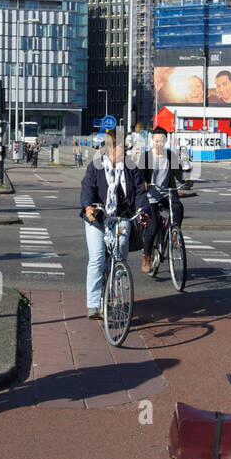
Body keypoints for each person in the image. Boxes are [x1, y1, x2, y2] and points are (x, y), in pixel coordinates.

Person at [79, 133, 149, 320]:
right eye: (121, 149)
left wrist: (143, 210)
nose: (124, 152)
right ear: (110, 149)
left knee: (119, 256)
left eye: (125, 149)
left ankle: (115, 294)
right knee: (97, 258)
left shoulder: (130, 167)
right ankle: (93, 304)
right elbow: (87, 187)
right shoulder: (96, 166)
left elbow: (140, 191)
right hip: (98, 217)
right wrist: (88, 207)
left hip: (121, 216)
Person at [138, 126, 185, 272]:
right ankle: (146, 256)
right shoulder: (146, 157)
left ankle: (173, 233)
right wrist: (144, 182)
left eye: (162, 141)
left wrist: (184, 181)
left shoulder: (171, 156)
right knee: (153, 224)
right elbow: (141, 175)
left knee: (178, 207)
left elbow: (178, 174)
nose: (159, 144)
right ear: (152, 141)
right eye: (156, 141)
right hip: (151, 196)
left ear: (166, 141)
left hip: (166, 193)